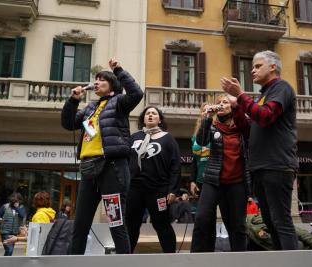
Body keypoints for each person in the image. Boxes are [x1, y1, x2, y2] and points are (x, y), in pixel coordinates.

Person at [61, 59, 143, 254]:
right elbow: (69, 123)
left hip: (112, 169)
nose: (96, 83)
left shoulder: (120, 102)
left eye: (101, 80)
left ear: (112, 85)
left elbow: (137, 93)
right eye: (95, 80)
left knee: (116, 222)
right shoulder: (89, 107)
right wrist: (73, 101)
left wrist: (118, 70)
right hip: (90, 170)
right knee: (80, 223)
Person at [221, 50, 299, 250]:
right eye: (252, 66)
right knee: (271, 222)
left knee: (281, 221)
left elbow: (265, 116)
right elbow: (249, 130)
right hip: (261, 167)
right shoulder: (263, 95)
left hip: (277, 165)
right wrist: (238, 107)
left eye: (257, 66)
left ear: (273, 67)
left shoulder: (281, 87)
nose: (252, 70)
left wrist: (240, 96)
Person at [190, 93, 251, 252]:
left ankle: (240, 260)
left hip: (236, 183)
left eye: (226, 102)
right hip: (213, 180)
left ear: (233, 106)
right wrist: (206, 118)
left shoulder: (242, 127)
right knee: (201, 219)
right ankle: (195, 259)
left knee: (237, 225)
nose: (222, 104)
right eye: (219, 103)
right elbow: (202, 141)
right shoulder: (212, 125)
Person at [126, 106, 181, 253]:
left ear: (159, 119)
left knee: (161, 224)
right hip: (134, 188)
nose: (150, 115)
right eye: (147, 113)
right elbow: (125, 162)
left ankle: (170, 257)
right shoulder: (134, 137)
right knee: (131, 225)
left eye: (154, 113)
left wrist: (173, 190)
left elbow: (175, 166)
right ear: (143, 118)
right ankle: (125, 257)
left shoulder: (168, 138)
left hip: (158, 189)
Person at [189, 103, 211, 196]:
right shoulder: (195, 136)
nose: (206, 113)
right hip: (200, 180)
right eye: (204, 111)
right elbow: (194, 161)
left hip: (214, 179)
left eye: (209, 110)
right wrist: (192, 181)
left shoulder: (217, 131)